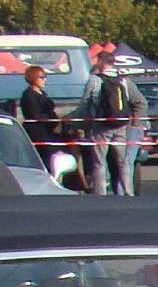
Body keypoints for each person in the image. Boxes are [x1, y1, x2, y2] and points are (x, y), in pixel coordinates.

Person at [76, 53, 147, 194]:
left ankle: (101, 194)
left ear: (100, 62)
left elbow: (85, 105)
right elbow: (140, 102)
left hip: (101, 126)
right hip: (121, 125)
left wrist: (76, 121)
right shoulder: (123, 81)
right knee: (123, 162)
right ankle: (128, 192)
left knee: (99, 162)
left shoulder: (95, 80)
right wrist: (135, 123)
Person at [17, 65, 64, 175]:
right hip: (38, 133)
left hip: (49, 131)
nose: (45, 80)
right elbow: (35, 115)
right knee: (46, 157)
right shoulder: (28, 95)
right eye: (42, 77)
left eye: (45, 77)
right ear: (33, 78)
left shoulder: (43, 93)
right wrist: (51, 120)